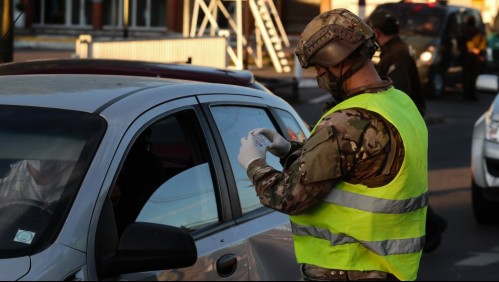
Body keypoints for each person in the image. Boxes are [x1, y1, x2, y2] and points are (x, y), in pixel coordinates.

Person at [238, 8, 428, 281]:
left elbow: (287, 197)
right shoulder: (399, 104)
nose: (319, 78)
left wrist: (253, 164)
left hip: (346, 268)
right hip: (391, 271)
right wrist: (289, 151)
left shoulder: (348, 122)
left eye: (320, 67)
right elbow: (355, 170)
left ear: (336, 59)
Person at [367, 9, 447, 254]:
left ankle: (432, 226)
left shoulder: (396, 55)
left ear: (377, 33)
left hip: (401, 126)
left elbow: (397, 94)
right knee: (402, 182)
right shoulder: (396, 51)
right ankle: (430, 225)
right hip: (405, 124)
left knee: (402, 182)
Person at [462, 15, 486, 101]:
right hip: (470, 57)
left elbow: (483, 43)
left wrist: (477, 50)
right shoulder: (469, 32)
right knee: (470, 77)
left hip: (472, 58)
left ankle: (469, 94)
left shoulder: (467, 32)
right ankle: (468, 94)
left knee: (470, 77)